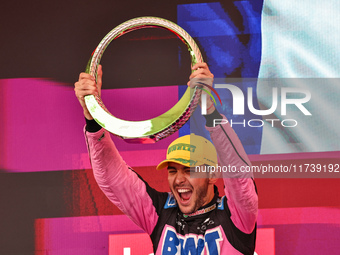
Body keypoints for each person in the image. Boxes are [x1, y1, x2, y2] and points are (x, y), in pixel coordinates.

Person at [75, 63, 258, 254]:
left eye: (188, 169)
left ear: (212, 174)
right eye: (173, 170)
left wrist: (209, 108)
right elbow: (113, 178)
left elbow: (239, 175)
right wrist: (93, 119)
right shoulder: (161, 211)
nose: (178, 179)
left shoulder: (236, 216)